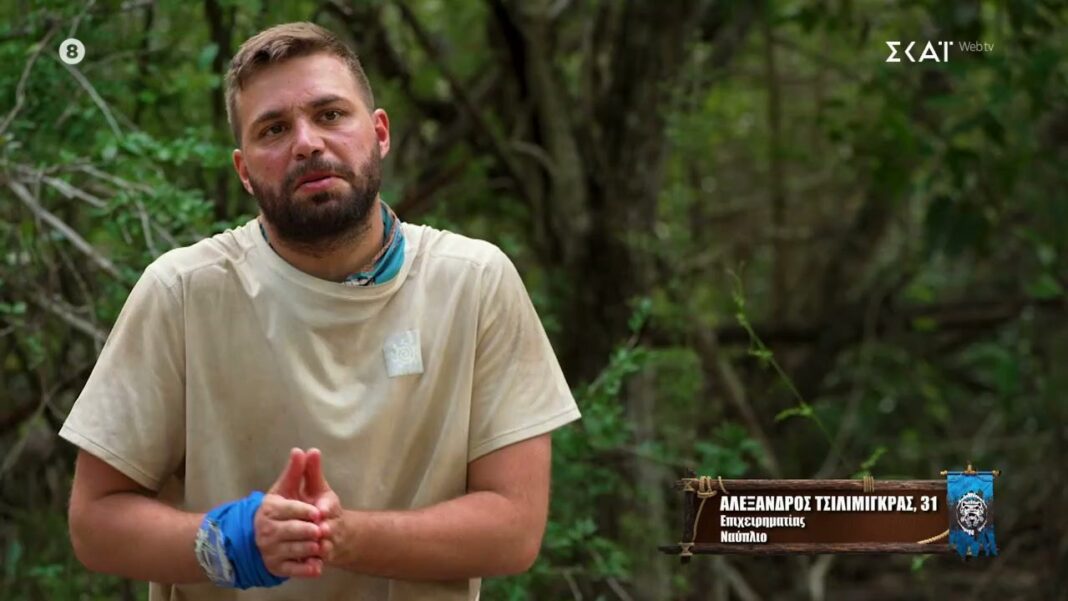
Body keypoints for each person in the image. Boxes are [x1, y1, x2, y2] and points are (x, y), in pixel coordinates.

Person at [61, 21, 581, 601]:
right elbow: (95, 521)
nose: (307, 143)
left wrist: (338, 535)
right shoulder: (182, 292)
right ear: (244, 172)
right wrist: (233, 542)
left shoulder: (474, 281)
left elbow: (514, 528)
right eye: (274, 129)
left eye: (330, 114)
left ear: (379, 132)